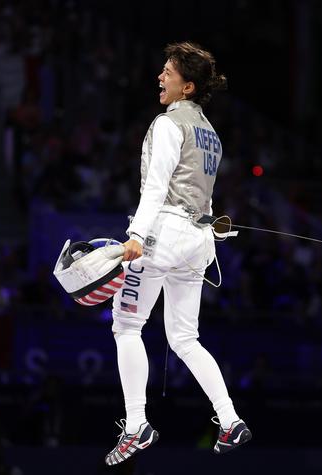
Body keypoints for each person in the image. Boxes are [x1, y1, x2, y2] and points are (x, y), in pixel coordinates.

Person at [104, 42, 251, 466]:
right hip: (199, 242)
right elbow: (200, 197)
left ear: (186, 86)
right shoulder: (210, 133)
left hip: (162, 237)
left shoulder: (169, 125)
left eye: (167, 72)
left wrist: (136, 235)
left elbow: (156, 187)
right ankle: (230, 419)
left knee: (127, 326)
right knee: (185, 338)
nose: (160, 77)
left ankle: (136, 426)